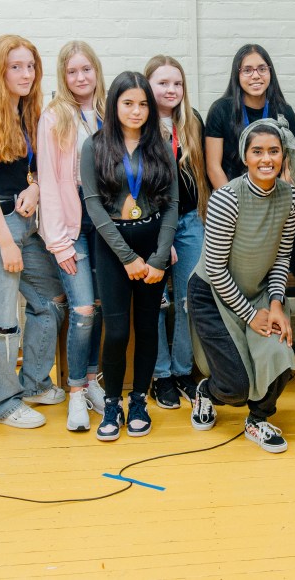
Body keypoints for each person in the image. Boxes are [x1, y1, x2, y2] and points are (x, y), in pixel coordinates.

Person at [0, 34, 66, 429]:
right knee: (1, 321)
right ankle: (2, 404)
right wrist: (5, 242)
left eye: (31, 66)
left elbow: (31, 170)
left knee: (51, 299)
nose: (26, 73)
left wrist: (35, 188)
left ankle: (34, 383)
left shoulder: (25, 112)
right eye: (16, 66)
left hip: (23, 223)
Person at [188, 120, 295, 453]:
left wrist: (276, 303)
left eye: (274, 151)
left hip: (260, 292)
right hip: (212, 294)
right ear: (245, 156)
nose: (266, 159)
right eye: (258, 151)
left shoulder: (291, 197)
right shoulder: (226, 198)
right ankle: (206, 392)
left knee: (279, 356)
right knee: (235, 386)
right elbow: (215, 269)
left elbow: (282, 256)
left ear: (283, 156)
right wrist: (251, 316)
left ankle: (258, 419)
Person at [81, 71, 177, 441]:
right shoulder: (94, 146)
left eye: (142, 104)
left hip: (152, 246)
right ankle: (112, 403)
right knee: (118, 331)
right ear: (114, 104)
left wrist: (157, 259)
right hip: (113, 249)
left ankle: (139, 400)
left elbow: (172, 206)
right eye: (128, 103)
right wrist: (127, 257)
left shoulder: (161, 145)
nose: (136, 111)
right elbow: (94, 207)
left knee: (148, 327)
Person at [36, 40, 108, 431]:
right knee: (81, 310)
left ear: (97, 70)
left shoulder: (109, 111)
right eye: (72, 71)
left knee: (98, 305)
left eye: (86, 69)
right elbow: (47, 181)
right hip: (71, 223)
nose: (81, 77)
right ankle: (76, 392)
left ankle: (93, 380)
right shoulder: (55, 116)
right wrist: (58, 241)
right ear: (63, 76)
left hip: (105, 222)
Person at [144, 55, 210, 409]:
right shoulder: (140, 123)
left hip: (191, 221)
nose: (171, 90)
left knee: (188, 299)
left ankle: (183, 369)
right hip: (154, 225)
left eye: (177, 83)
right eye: (163, 83)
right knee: (156, 301)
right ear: (147, 85)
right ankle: (160, 375)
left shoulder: (192, 120)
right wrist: (161, 236)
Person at [205, 44, 295, 187]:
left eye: (262, 69)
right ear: (237, 74)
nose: (255, 76)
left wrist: (282, 195)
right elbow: (213, 167)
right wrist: (229, 198)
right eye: (247, 70)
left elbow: (288, 166)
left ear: (270, 72)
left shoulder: (284, 111)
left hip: (274, 194)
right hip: (232, 193)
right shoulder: (220, 110)